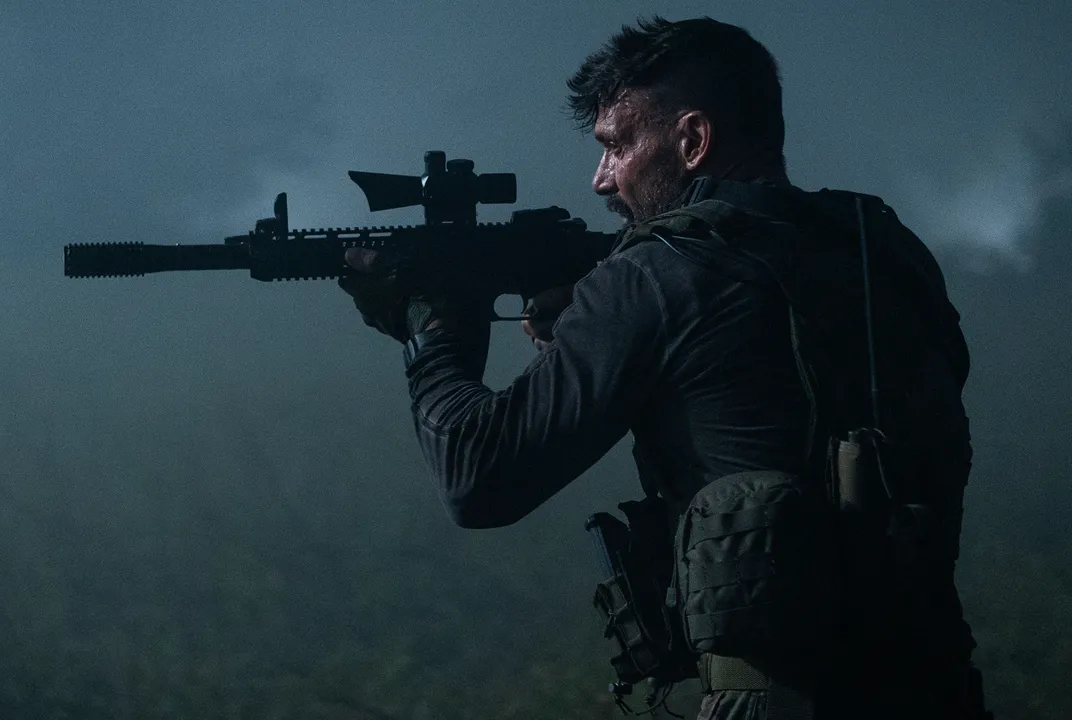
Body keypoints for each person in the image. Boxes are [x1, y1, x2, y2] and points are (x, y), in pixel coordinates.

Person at [339, 16, 989, 720]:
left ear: (693, 140)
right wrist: (596, 329)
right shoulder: (882, 249)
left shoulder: (651, 276)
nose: (600, 179)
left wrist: (431, 329)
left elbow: (477, 479)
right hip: (937, 688)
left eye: (616, 145)